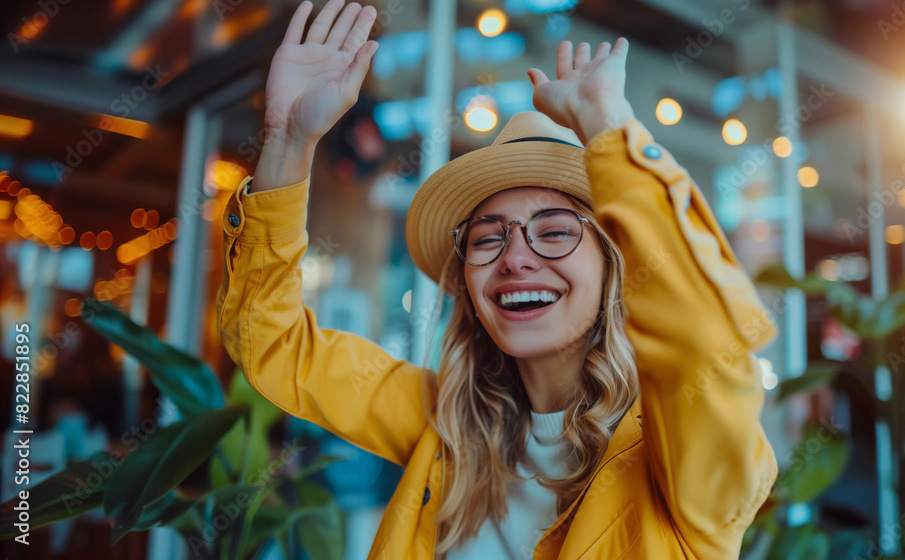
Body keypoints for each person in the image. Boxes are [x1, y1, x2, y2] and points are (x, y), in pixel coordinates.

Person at [216, 1, 779, 557]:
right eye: (488, 238)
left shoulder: (677, 452)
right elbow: (273, 341)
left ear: (614, 265)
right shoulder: (444, 421)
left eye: (555, 231)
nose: (514, 258)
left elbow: (707, 345)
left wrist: (610, 124)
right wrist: (289, 142)